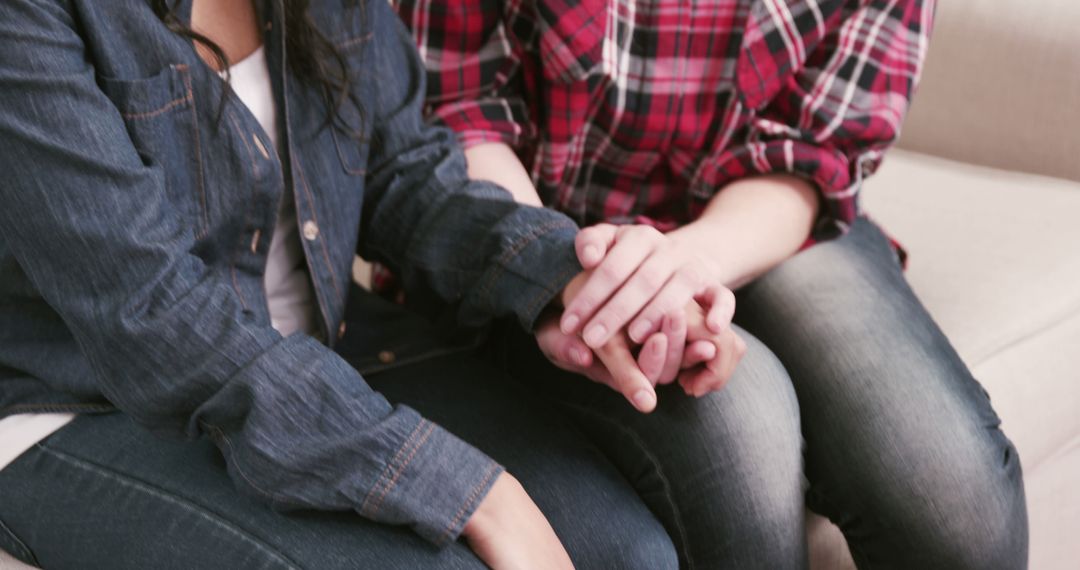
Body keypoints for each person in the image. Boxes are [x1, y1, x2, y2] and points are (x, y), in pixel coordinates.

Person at [0, 0, 743, 568]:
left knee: (627, 555)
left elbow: (400, 173)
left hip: (325, 348)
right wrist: (465, 488)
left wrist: (572, 278)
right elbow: (148, 312)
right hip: (84, 400)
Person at [395, 0, 1031, 567]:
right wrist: (556, 270)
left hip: (764, 212)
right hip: (537, 224)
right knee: (739, 421)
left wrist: (679, 266)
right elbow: (460, 109)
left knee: (954, 499)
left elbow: (816, 147)